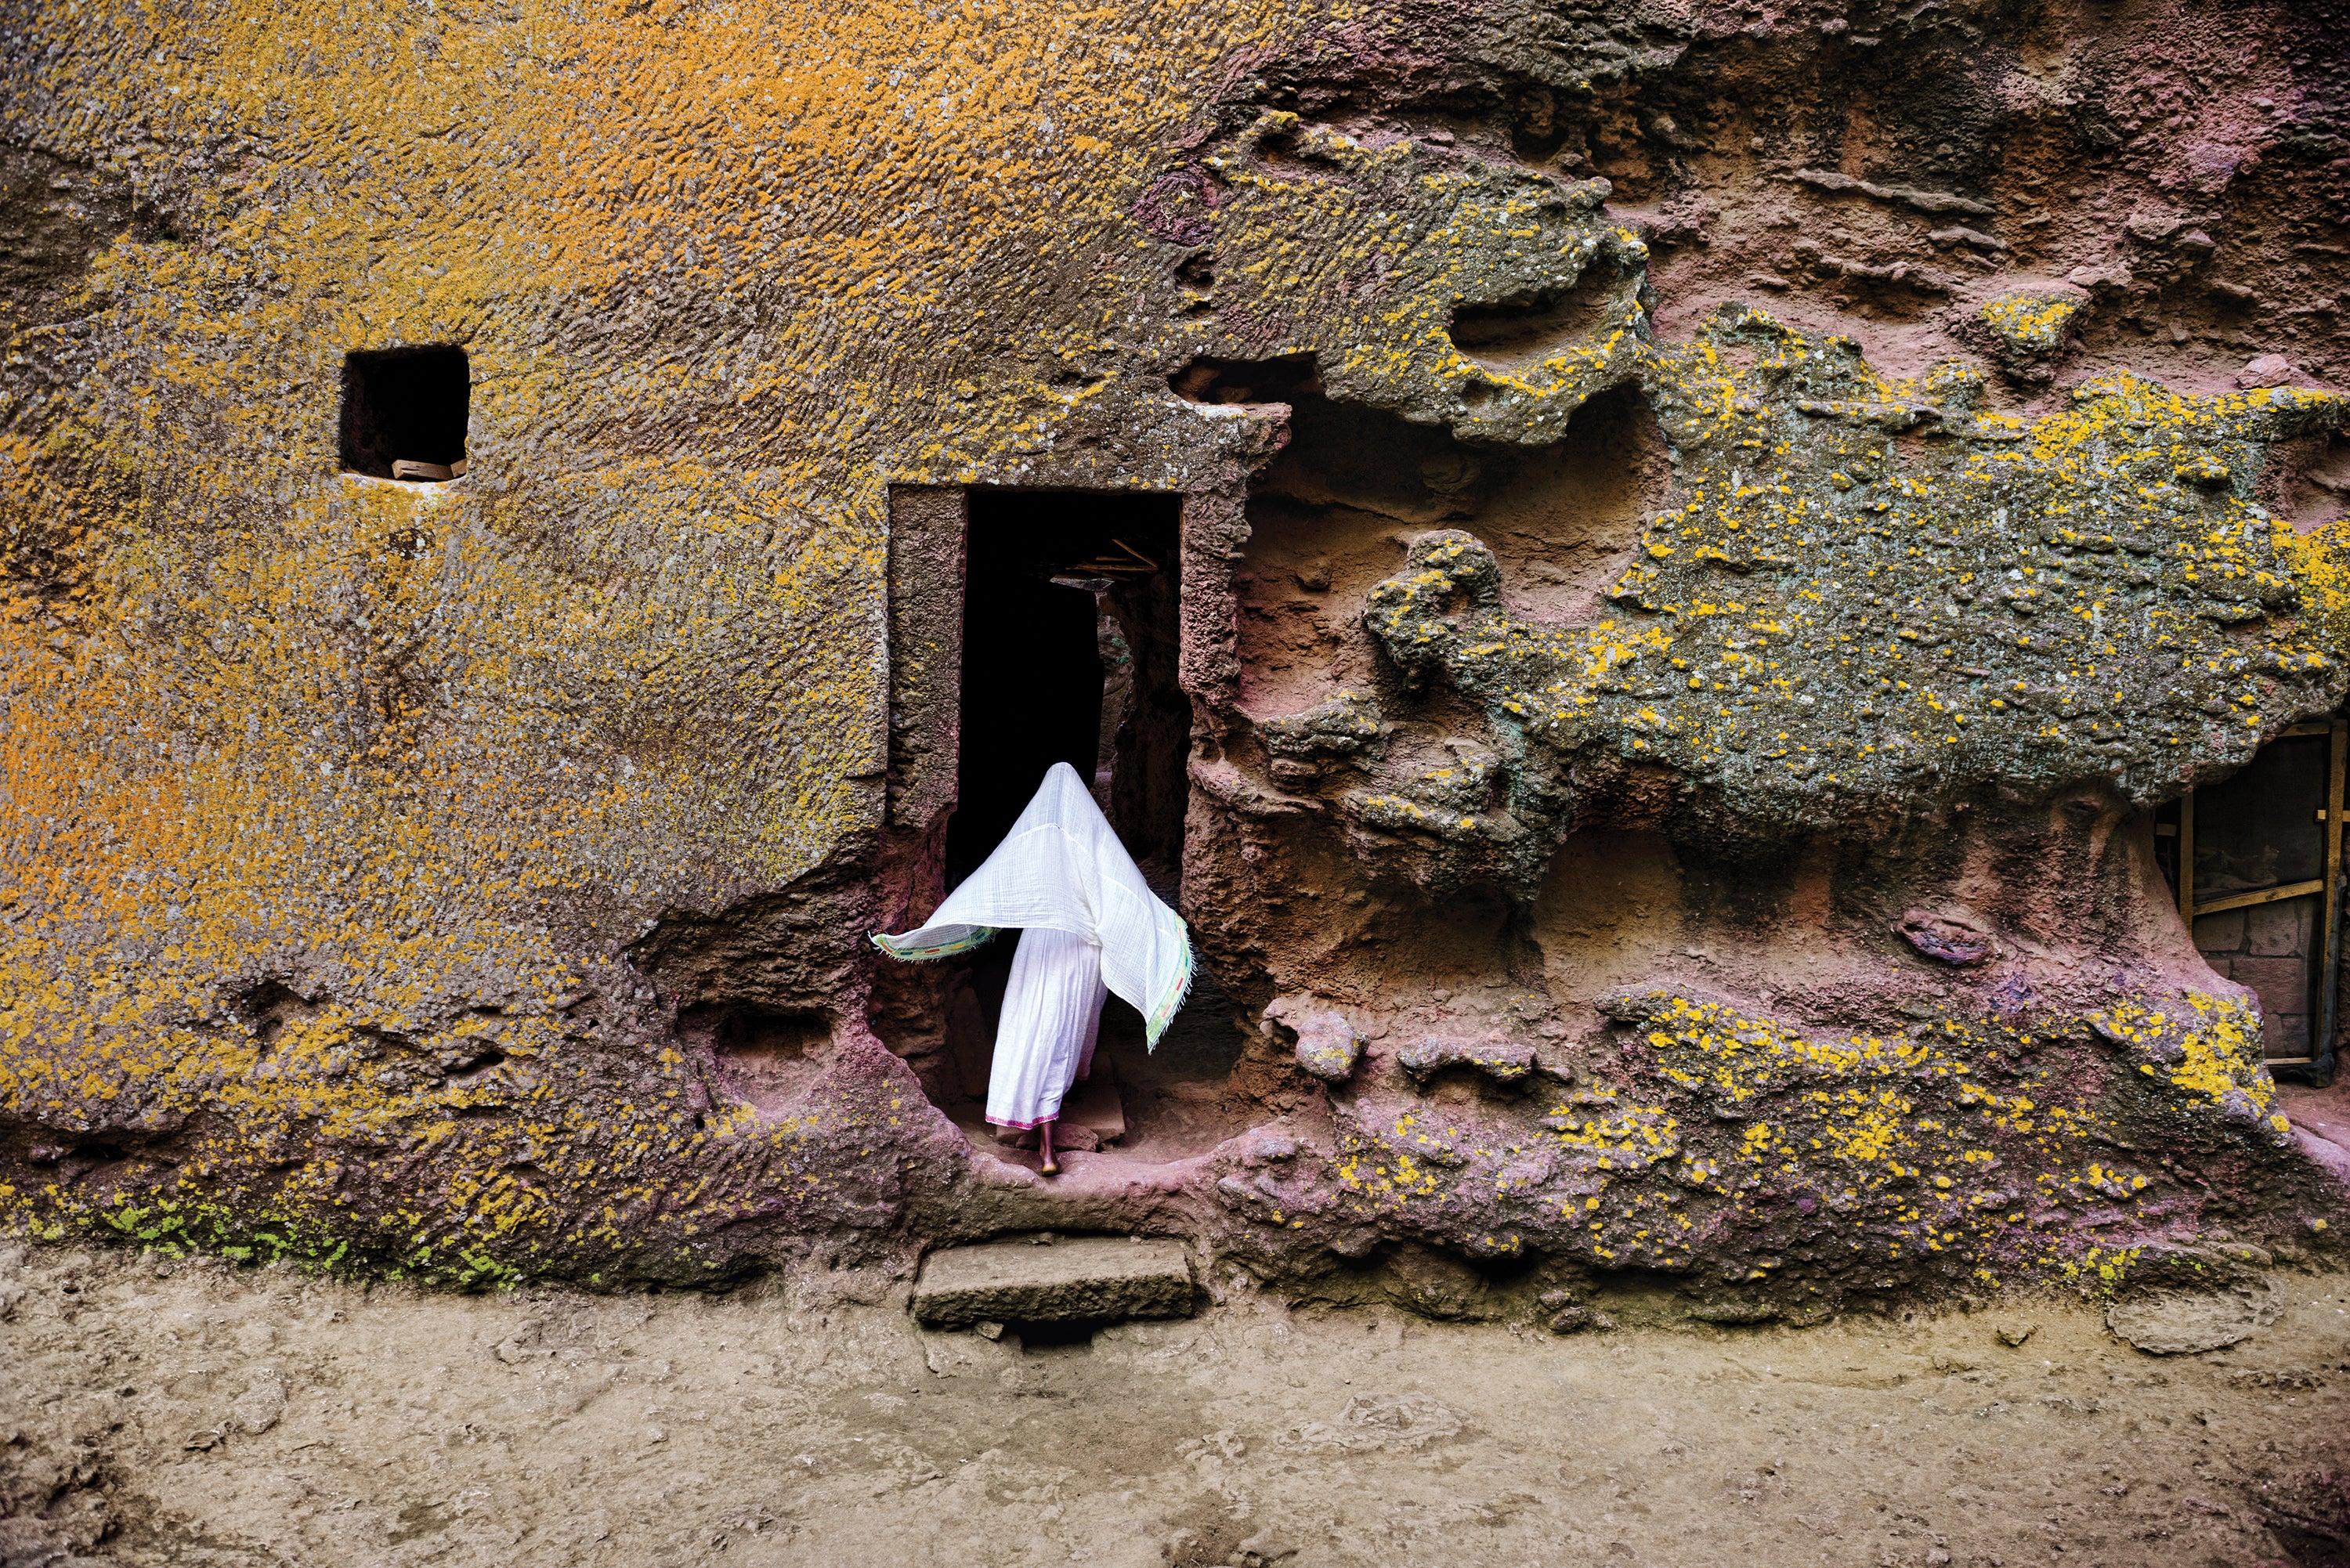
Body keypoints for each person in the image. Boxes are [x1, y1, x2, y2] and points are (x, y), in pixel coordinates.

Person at [873, 762, 1191, 1174]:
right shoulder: (1092, 838)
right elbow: (1125, 891)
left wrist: (926, 931)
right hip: (1083, 952)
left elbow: (991, 883)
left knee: (1035, 1028)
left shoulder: (1034, 836)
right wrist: (1160, 929)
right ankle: (1048, 1136)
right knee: (1066, 1028)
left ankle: (1044, 1138)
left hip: (1040, 947)